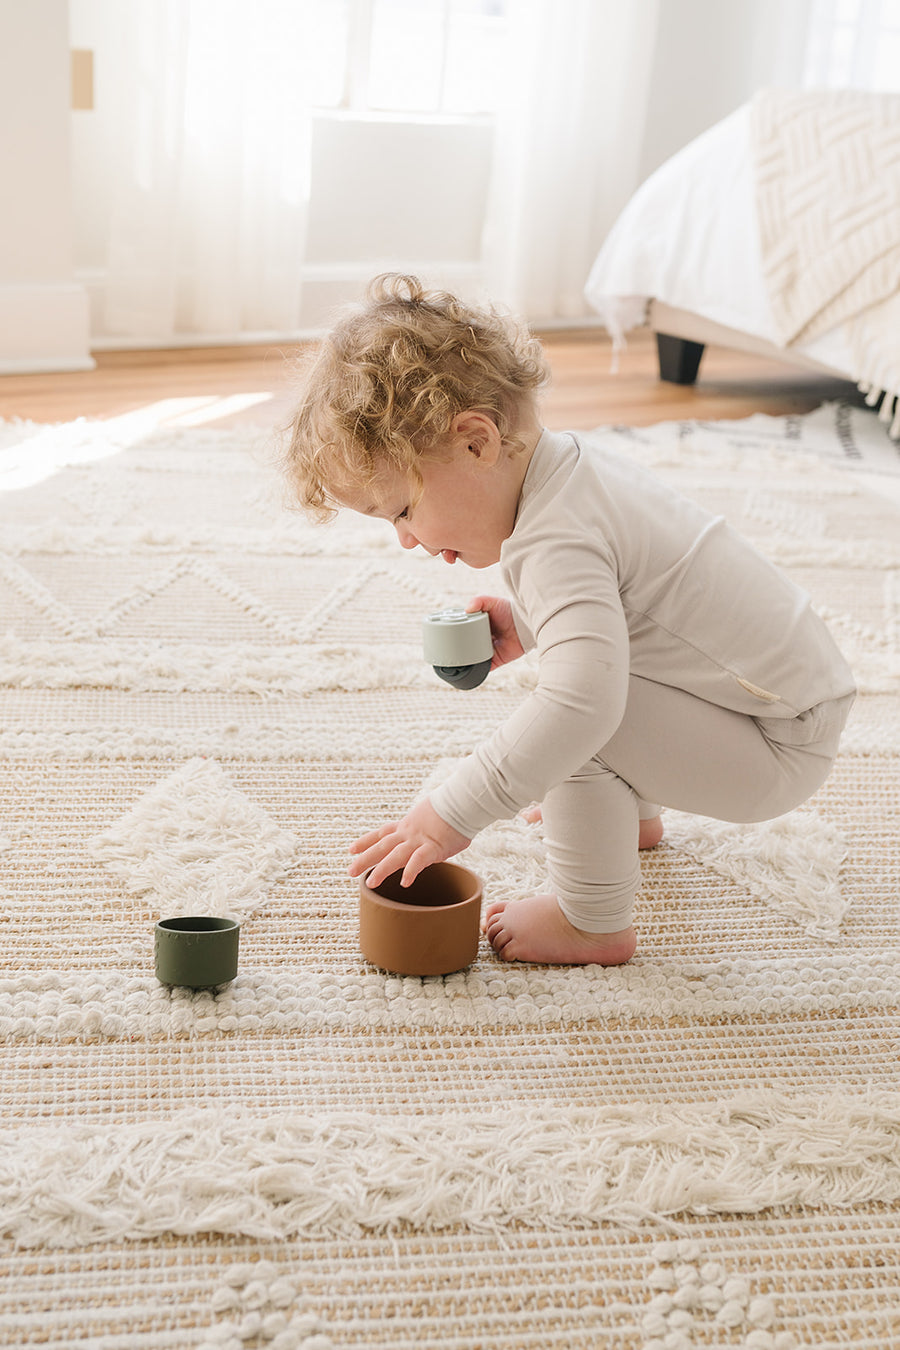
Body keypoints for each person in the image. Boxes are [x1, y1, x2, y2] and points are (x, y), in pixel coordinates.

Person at [283, 274, 856, 966]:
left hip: (776, 744)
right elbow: (643, 607)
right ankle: (631, 816)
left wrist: (449, 813)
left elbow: (582, 704)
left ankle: (592, 921)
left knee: (575, 722)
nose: (405, 538)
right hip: (777, 703)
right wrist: (527, 622)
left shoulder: (556, 540)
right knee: (582, 676)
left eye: (402, 509)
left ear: (476, 442)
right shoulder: (566, 474)